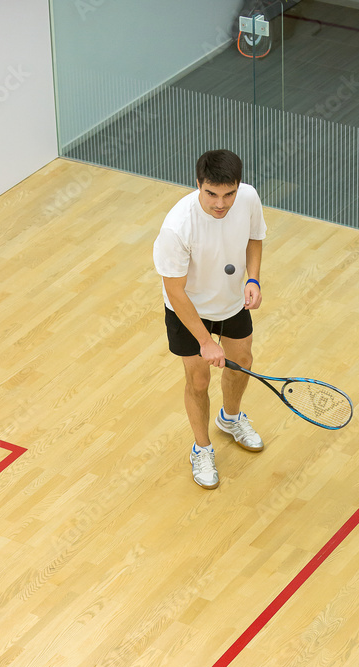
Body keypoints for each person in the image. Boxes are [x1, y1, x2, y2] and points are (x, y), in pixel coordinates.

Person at [153, 149, 267, 489]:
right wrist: (204, 340)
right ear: (198, 185)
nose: (221, 203)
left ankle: (230, 419)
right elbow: (175, 291)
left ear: (238, 186)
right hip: (188, 310)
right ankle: (202, 448)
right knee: (198, 380)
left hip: (231, 302)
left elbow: (255, 237)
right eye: (212, 194)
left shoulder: (247, 199)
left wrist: (253, 279)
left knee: (242, 361)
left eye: (228, 193)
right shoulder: (177, 228)